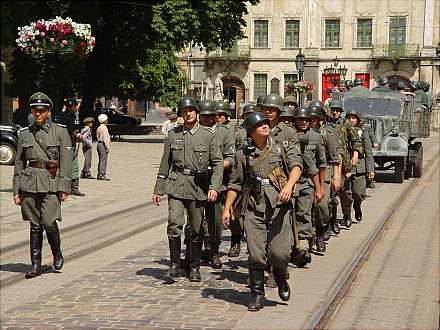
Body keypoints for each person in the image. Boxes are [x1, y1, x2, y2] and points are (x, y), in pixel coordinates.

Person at [221, 112, 303, 311]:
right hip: (253, 208)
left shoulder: (281, 147)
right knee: (256, 255)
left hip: (278, 207)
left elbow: (297, 167)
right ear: (251, 131)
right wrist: (226, 209)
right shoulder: (243, 154)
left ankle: (281, 278)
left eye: (266, 123)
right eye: (260, 124)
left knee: (280, 254)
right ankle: (257, 295)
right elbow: (235, 183)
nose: (265, 126)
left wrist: (289, 186)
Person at [152, 96, 223, 282]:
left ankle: (194, 266)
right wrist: (158, 189)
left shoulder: (208, 136)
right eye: (185, 111)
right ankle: (174, 265)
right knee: (174, 225)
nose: (188, 113)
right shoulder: (173, 135)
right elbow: (164, 163)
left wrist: (214, 187)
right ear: (181, 114)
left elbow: (217, 164)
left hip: (198, 187)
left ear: (197, 113)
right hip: (176, 185)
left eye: (191, 110)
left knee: (196, 228)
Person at [13, 92, 72, 279]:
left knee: (48, 221)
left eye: (41, 110)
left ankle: (57, 252)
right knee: (34, 224)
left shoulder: (60, 132)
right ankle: (36, 264)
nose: (37, 114)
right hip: (30, 182)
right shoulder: (24, 133)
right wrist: (17, 189)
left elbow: (67, 161)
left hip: (52, 182)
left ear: (48, 111)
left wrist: (64, 187)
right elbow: (19, 163)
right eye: (34, 110)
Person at [197, 99, 235, 269]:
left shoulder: (224, 132)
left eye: (209, 116)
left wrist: (217, 166)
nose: (206, 119)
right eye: (203, 116)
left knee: (214, 221)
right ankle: (197, 251)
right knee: (196, 220)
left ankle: (214, 251)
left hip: (217, 181)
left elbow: (230, 157)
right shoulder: (194, 131)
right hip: (196, 182)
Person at [308, 103, 340, 252]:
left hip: (324, 173)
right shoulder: (302, 133)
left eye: (316, 118)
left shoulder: (327, 134)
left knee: (322, 207)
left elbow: (334, 158)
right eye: (311, 118)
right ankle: (310, 238)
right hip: (306, 174)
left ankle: (321, 231)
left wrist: (336, 177)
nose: (313, 120)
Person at [326, 99, 363, 229]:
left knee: (346, 193)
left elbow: (356, 140)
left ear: (341, 111)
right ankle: (333, 220)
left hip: (344, 162)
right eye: (333, 110)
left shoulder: (346, 124)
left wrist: (356, 154)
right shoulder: (325, 124)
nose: (335, 112)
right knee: (331, 193)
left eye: (337, 110)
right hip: (329, 162)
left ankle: (347, 215)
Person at [343, 109, 374, 222]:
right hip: (345, 165)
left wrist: (370, 169)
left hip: (360, 166)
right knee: (346, 194)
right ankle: (347, 215)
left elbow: (368, 151)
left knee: (359, 193)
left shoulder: (363, 132)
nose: (351, 120)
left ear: (358, 119)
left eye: (354, 118)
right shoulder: (342, 130)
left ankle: (357, 205)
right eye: (349, 117)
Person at [58, 97, 85, 196]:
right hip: (66, 145)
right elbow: (64, 132)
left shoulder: (74, 115)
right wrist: (74, 134)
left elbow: (74, 128)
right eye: (75, 105)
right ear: (70, 106)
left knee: (74, 166)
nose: (76, 107)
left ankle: (74, 187)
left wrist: (78, 134)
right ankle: (64, 188)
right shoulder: (64, 116)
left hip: (73, 143)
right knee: (66, 166)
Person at [96, 114, 111, 181]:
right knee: (103, 160)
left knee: (100, 160)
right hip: (102, 144)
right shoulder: (104, 128)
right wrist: (107, 147)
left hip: (99, 144)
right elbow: (105, 139)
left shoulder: (99, 127)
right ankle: (101, 174)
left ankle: (100, 173)